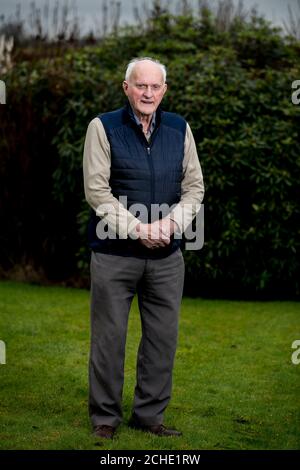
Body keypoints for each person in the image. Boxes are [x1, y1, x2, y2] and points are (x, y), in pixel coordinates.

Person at [83, 57, 204, 440]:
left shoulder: (179, 128)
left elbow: (194, 187)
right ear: (126, 88)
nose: (147, 93)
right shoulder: (102, 127)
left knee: (162, 339)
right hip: (114, 254)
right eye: (140, 86)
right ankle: (105, 418)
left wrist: (170, 225)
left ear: (164, 90)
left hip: (167, 257)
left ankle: (150, 416)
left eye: (155, 87)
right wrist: (138, 228)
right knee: (109, 339)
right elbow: (97, 191)